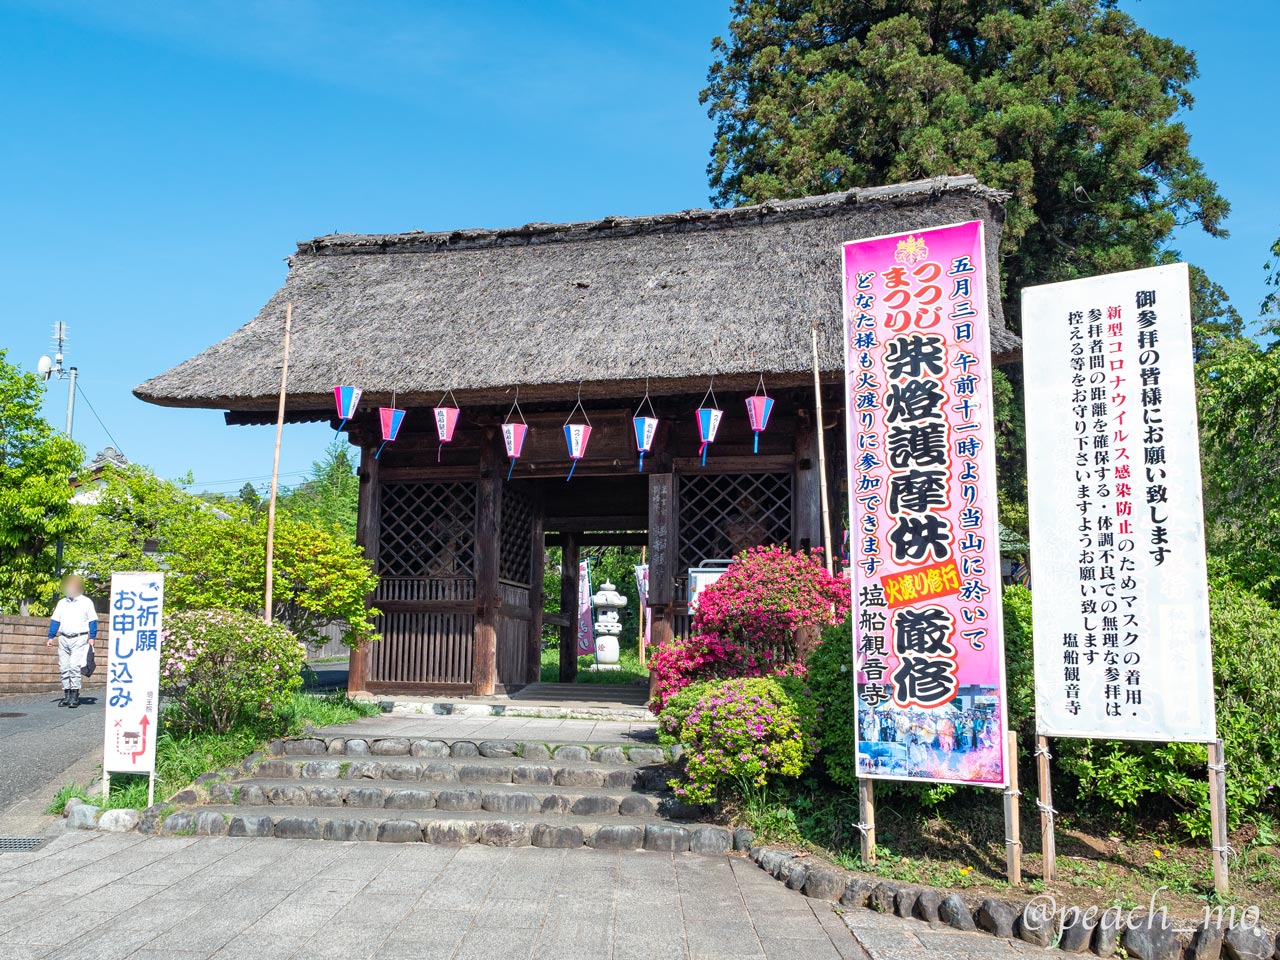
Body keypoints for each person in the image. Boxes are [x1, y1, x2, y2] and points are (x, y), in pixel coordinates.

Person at [45, 575, 97, 708]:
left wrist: (92, 637)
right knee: (64, 667)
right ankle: (67, 695)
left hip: (79, 637)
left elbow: (92, 620)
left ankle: (75, 695)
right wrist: (51, 636)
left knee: (74, 666)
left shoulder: (86, 602)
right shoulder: (62, 603)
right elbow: (55, 620)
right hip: (63, 637)